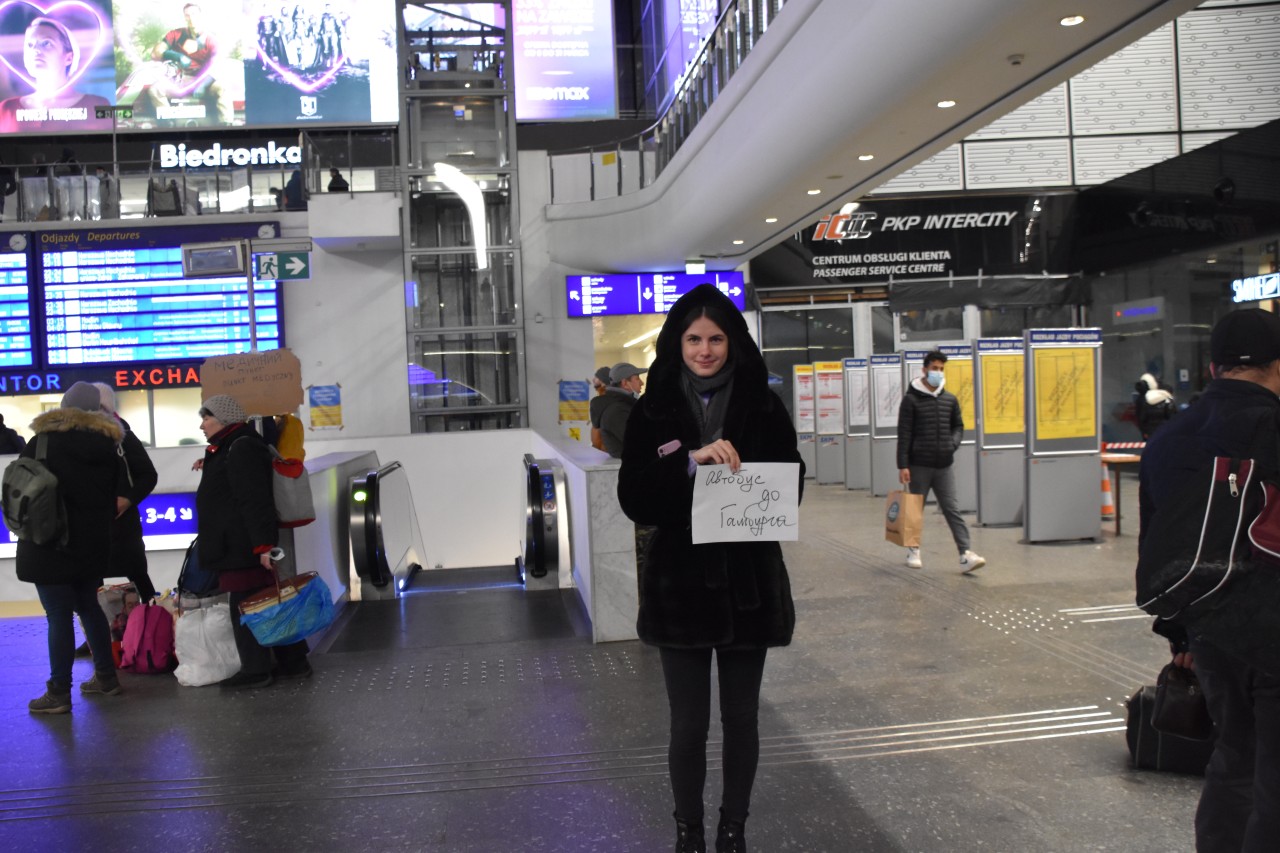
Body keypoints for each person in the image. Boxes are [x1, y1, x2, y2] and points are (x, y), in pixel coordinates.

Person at [617, 284, 804, 853]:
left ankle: (733, 829)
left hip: (749, 585)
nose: (705, 350)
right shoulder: (653, 409)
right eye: (694, 338)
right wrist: (692, 465)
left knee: (741, 719)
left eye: (716, 338)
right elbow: (635, 496)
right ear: (678, 341)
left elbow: (791, 484)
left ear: (732, 341)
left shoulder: (763, 404)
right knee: (688, 724)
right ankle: (689, 831)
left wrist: (751, 477)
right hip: (681, 588)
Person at [1138, 308, 1280, 853]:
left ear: (1215, 366)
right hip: (1273, 625)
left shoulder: (1170, 438)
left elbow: (1159, 542)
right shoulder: (1272, 426)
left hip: (1209, 629)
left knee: (1233, 759)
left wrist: (1179, 638)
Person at [20, 381, 125, 713]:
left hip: (50, 542)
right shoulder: (108, 446)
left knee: (58, 615)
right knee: (88, 607)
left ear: (63, 407)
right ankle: (106, 678)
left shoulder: (43, 442)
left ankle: (58, 693)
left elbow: (20, 489)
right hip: (92, 544)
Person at [194, 395, 311, 688]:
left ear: (222, 419)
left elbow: (255, 500)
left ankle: (256, 669)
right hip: (237, 541)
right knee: (270, 604)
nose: (202, 425)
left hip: (242, 543)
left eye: (206, 418)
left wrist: (263, 547)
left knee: (246, 606)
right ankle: (294, 662)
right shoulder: (231, 445)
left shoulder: (241, 446)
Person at [896, 350, 985, 573]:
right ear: (924, 369)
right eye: (934, 368)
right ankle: (913, 550)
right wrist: (903, 464)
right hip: (919, 464)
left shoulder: (949, 399)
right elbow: (904, 433)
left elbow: (958, 426)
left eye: (941, 369)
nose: (938, 373)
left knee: (951, 508)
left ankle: (965, 553)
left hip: (943, 464)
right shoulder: (911, 400)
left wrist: (951, 443)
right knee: (915, 509)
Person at [93, 383, 159, 600]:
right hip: (94, 526)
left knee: (139, 578)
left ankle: (148, 627)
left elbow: (148, 475)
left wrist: (128, 500)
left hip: (122, 526)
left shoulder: (124, 436)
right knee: (93, 586)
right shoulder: (78, 439)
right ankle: (104, 632)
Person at [0, 17, 110, 134]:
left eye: (46, 43)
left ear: (68, 58)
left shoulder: (97, 105)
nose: (36, 50)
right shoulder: (6, 109)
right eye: (30, 45)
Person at [146, 3, 233, 125]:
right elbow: (155, 53)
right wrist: (176, 55)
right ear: (184, 17)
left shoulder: (211, 39)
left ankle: (226, 125)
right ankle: (168, 124)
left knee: (223, 88)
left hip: (204, 80)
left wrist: (203, 84)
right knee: (155, 90)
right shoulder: (175, 34)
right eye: (187, 15)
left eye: (194, 14)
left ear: (201, 16)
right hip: (179, 80)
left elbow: (218, 65)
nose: (191, 18)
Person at [599, 362, 646, 458]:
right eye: (637, 379)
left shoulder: (625, 406)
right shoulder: (617, 411)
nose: (642, 383)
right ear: (625, 383)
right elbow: (639, 442)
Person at [1134, 371, 1176, 440]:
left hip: (1151, 432)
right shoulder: (1167, 400)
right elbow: (1172, 416)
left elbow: (1142, 418)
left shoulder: (1144, 399)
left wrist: (1144, 431)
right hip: (1165, 431)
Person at [588, 366, 613, 451]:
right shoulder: (605, 397)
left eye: (596, 377)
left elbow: (597, 430)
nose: (593, 380)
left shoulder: (600, 401)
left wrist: (597, 449)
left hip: (605, 450)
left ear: (603, 381)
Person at [0, 155, 16, 222]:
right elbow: (13, 185)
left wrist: (6, 193)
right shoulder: (6, 170)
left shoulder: (5, 170)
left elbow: (13, 185)